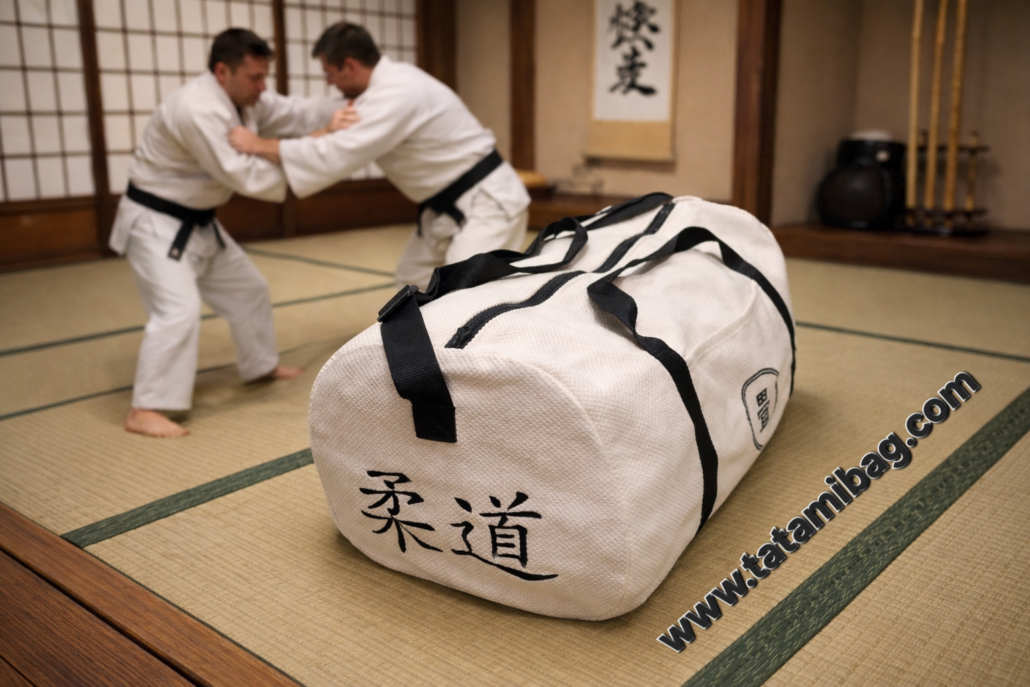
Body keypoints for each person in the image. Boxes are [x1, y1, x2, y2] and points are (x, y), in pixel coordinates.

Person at [109, 28, 355, 438]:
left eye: (264, 76)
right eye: (255, 78)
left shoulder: (246, 97)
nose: (263, 87)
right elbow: (245, 175)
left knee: (248, 289)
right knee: (177, 311)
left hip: (198, 220)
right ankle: (145, 407)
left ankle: (260, 366)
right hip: (156, 224)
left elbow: (296, 111)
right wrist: (316, 141)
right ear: (223, 71)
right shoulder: (196, 110)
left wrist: (355, 104)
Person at [228, 22, 531, 290]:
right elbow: (309, 113)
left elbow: (336, 152)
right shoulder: (375, 94)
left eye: (330, 74)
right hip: (446, 207)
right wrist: (254, 101)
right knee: (413, 278)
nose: (329, 82)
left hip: (487, 203)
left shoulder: (397, 93)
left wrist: (261, 145)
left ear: (350, 66)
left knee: (467, 290)